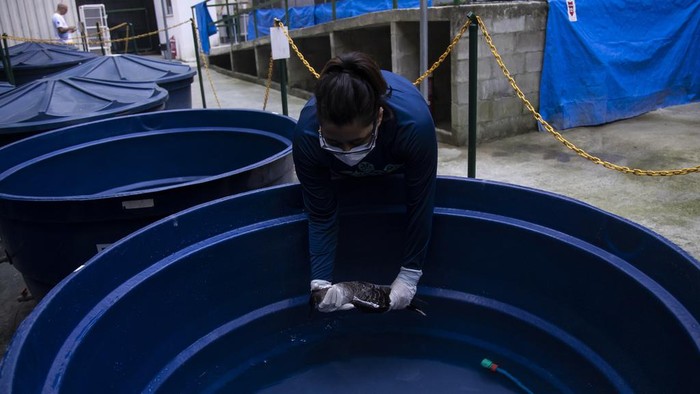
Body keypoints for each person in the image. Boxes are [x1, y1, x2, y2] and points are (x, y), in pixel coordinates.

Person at [293, 52, 437, 313]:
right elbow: (321, 212)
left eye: (357, 142)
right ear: (320, 126)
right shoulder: (306, 135)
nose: (347, 151)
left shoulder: (415, 127)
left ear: (378, 118)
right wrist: (320, 282)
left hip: (395, 154)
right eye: (335, 142)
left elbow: (420, 203)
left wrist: (409, 275)